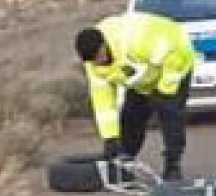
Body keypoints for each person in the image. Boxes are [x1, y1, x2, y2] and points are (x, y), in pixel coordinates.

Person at [74, 12, 198, 182]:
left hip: (176, 61)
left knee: (169, 114)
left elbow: (174, 53)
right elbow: (103, 104)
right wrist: (110, 138)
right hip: (142, 79)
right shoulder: (93, 65)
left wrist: (164, 90)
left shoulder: (134, 41)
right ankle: (123, 163)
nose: (98, 63)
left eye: (98, 57)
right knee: (131, 116)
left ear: (103, 46)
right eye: (93, 61)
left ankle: (172, 165)